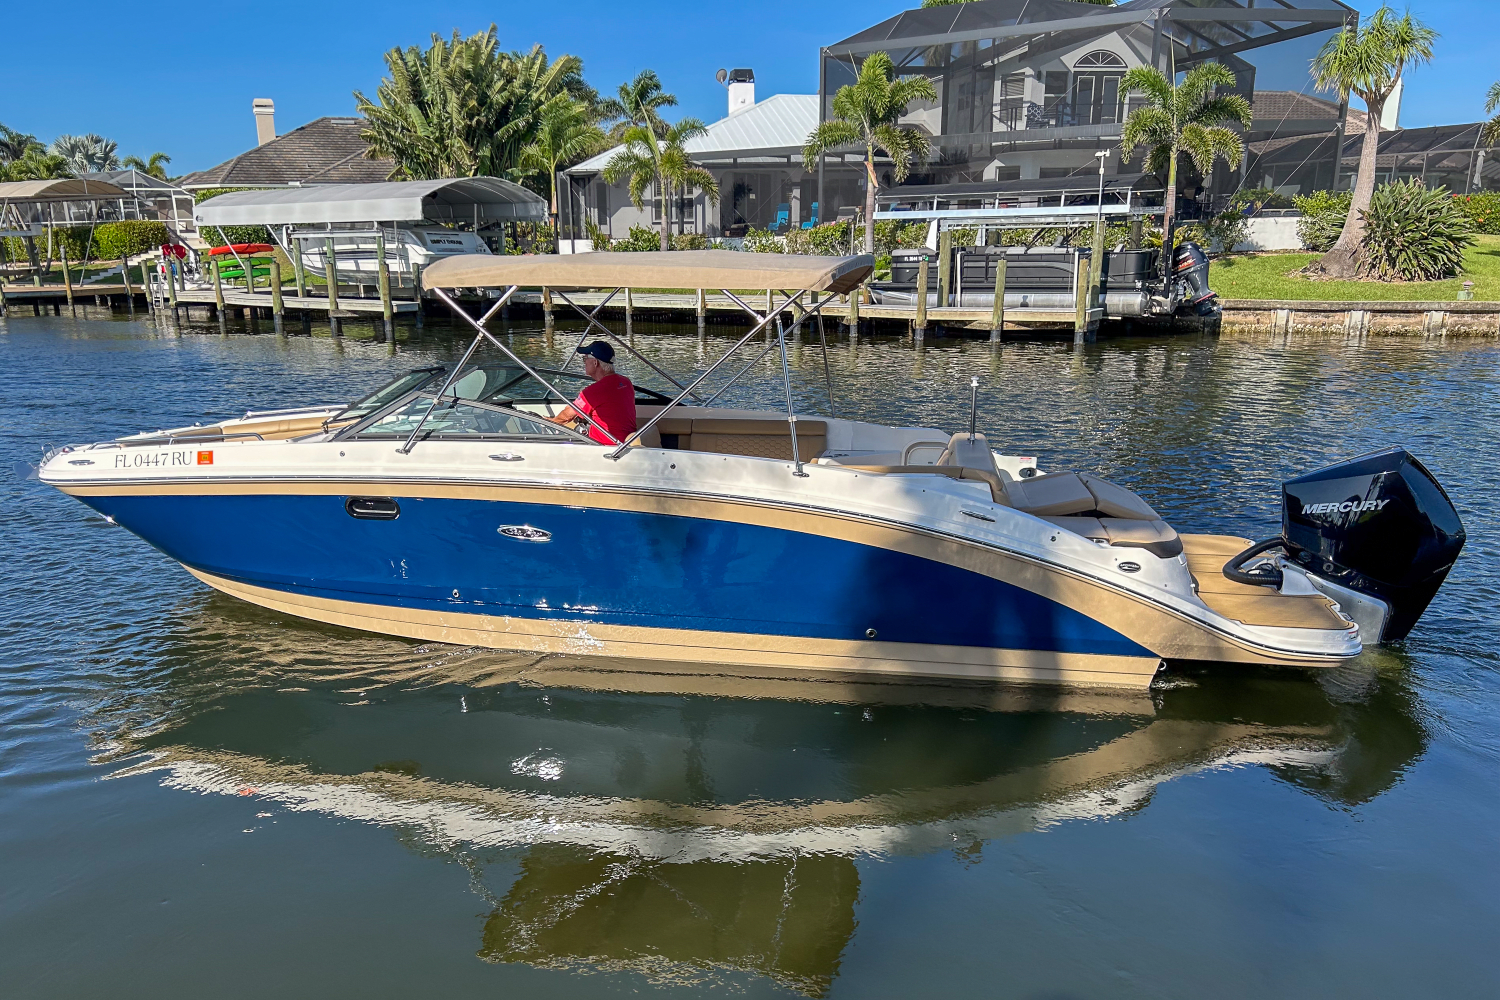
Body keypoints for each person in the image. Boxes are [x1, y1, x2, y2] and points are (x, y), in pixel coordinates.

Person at [551, 341, 637, 445]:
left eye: (585, 358)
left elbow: (567, 416)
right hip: (627, 443)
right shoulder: (626, 382)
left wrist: (550, 423)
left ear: (595, 363)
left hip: (603, 447)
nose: (584, 362)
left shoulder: (593, 392)